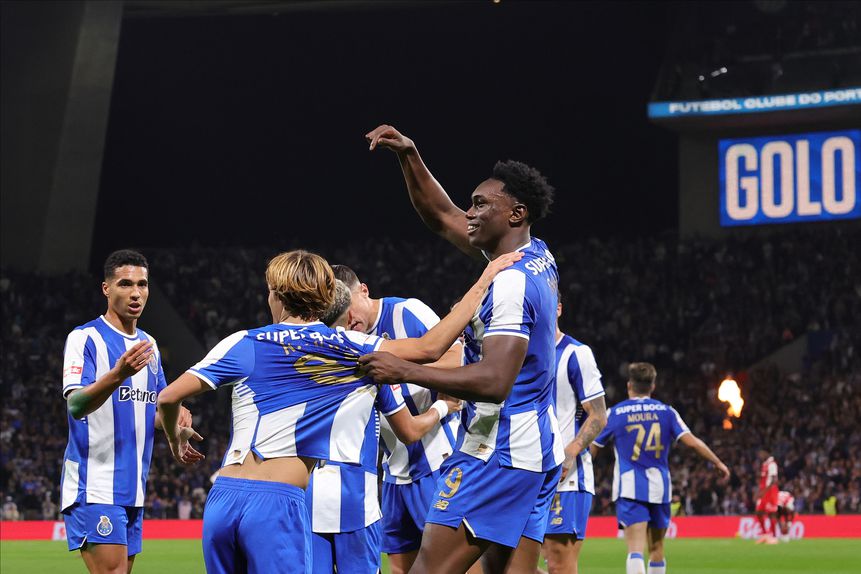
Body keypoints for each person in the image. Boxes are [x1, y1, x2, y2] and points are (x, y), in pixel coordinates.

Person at [156, 249, 520, 574]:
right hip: (276, 504)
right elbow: (431, 347)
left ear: (277, 295)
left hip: (223, 499)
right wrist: (485, 279)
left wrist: (175, 438)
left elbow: (168, 398)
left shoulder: (242, 341)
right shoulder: (349, 347)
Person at [361, 124, 561, 574]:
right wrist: (409, 156)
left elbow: (494, 381)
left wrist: (402, 370)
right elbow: (440, 215)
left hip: (499, 449)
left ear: (516, 214)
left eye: (480, 204)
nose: (468, 213)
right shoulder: (534, 255)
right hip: (535, 446)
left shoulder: (510, 281)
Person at [306, 280, 462, 574]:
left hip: (437, 462)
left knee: (454, 565)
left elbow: (457, 358)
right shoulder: (346, 344)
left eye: (349, 306)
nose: (350, 318)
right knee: (401, 568)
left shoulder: (407, 311)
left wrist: (406, 371)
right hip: (394, 473)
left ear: (363, 290)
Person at [60, 249, 195, 574]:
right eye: (125, 283)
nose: (136, 292)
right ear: (106, 288)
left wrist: (177, 420)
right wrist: (117, 374)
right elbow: (76, 404)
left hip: (133, 487)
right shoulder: (85, 338)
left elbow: (159, 411)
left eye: (142, 284)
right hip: (95, 484)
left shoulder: (149, 346)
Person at [591, 362, 730, 574]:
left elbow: (593, 447)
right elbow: (692, 442)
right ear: (652, 386)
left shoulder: (615, 413)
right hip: (660, 488)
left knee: (635, 550)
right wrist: (717, 462)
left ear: (630, 385)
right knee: (657, 549)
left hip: (630, 488)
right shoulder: (667, 412)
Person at [539, 295, 608, 574]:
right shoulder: (519, 354)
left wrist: (570, 451)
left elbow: (599, 414)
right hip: (525, 473)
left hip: (565, 480)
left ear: (558, 309)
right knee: (509, 564)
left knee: (558, 565)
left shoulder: (575, 353)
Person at [755, 448, 780, 544]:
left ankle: (773, 537)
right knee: (759, 512)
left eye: (760, 453)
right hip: (764, 491)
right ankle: (765, 535)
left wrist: (763, 492)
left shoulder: (772, 464)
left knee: (771, 514)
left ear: (766, 452)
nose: (759, 455)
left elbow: (774, 480)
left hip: (770, 492)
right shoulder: (765, 464)